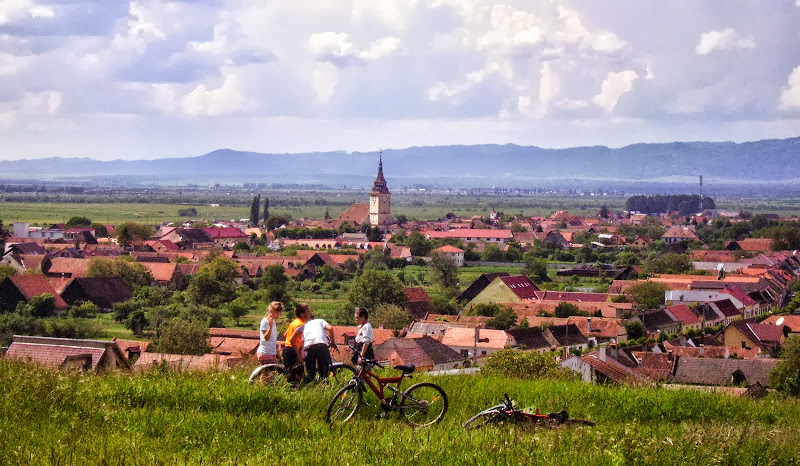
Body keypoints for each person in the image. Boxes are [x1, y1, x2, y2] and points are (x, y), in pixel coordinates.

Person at [289, 309, 336, 383]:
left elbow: (297, 341)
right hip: (322, 345)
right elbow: (330, 328)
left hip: (309, 346)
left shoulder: (304, 326)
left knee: (310, 373)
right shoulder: (320, 321)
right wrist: (332, 342)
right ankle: (324, 387)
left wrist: (300, 355)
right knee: (324, 372)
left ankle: (311, 386)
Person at [282, 303, 311, 384]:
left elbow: (285, 335)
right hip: (292, 350)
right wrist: (298, 354)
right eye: (308, 311)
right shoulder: (300, 325)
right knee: (295, 375)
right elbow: (292, 340)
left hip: (287, 349)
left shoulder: (295, 322)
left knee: (291, 373)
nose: (310, 313)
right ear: (302, 314)